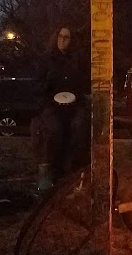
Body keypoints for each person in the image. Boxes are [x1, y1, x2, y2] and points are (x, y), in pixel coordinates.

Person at [33, 26, 90, 192]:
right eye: (61, 36)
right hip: (51, 104)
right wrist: (47, 85)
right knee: (54, 129)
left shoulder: (77, 60)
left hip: (75, 104)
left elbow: (84, 84)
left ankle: (77, 171)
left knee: (80, 127)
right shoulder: (46, 60)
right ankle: (52, 171)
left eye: (67, 37)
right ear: (55, 38)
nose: (63, 40)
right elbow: (36, 87)